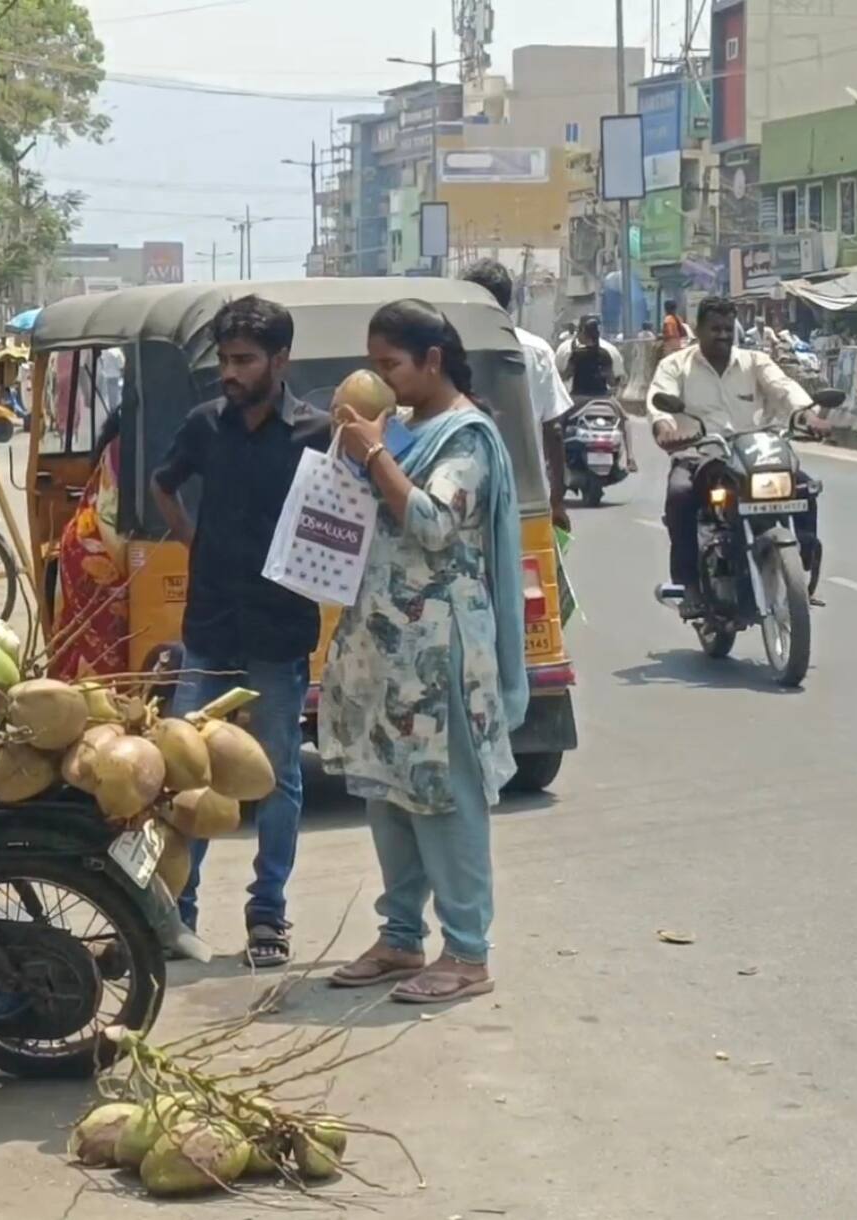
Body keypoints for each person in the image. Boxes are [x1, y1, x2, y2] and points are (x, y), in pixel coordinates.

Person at [322, 300, 528, 1005]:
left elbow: (435, 522)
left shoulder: (465, 437)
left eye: (391, 365)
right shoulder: (403, 428)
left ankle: (467, 952)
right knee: (390, 792)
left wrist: (374, 455)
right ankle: (400, 935)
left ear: (432, 360)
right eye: (374, 366)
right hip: (385, 645)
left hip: (440, 650)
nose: (382, 379)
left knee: (446, 797)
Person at [149, 297, 330, 969]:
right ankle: (177, 914)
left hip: (279, 632)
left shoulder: (317, 434)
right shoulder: (204, 425)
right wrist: (193, 540)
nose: (229, 372)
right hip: (209, 627)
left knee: (277, 777)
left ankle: (267, 915)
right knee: (185, 775)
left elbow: (346, 518)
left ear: (280, 361)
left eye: (244, 360)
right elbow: (164, 484)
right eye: (224, 360)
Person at [649, 297, 828, 616]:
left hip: (756, 454)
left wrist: (807, 415)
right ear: (698, 330)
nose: (722, 335)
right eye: (715, 329)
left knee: (804, 488)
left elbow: (784, 389)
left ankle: (799, 574)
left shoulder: (755, 362)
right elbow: (659, 403)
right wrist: (667, 430)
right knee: (679, 494)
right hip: (701, 454)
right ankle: (688, 584)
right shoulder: (675, 366)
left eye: (727, 329)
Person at [461, 260, 572, 530]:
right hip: (527, 499)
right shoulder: (537, 350)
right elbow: (554, 430)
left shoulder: (445, 347)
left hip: (461, 497)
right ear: (509, 304)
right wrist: (557, 501)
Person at [49, 387, 132, 681]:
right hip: (97, 549)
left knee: (83, 637)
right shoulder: (129, 448)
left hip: (84, 541)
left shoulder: (121, 442)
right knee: (107, 638)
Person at [555, 316, 635, 471]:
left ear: (584, 333)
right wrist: (617, 381)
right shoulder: (605, 354)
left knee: (559, 423)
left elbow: (566, 375)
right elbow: (611, 381)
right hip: (604, 399)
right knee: (625, 420)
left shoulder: (576, 353)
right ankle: (630, 458)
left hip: (579, 399)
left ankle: (558, 461)